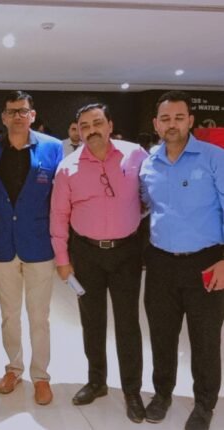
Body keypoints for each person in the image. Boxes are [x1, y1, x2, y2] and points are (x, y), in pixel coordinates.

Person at [50, 103, 148, 423]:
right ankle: (96, 381)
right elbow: (58, 216)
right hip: (86, 254)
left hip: (127, 253)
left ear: (109, 125)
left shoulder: (135, 155)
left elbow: (151, 195)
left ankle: (132, 390)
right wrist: (62, 260)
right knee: (92, 321)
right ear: (78, 131)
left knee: (127, 323)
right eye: (84, 126)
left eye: (97, 123)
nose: (91, 130)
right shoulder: (68, 167)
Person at [140, 90, 224, 430]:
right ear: (156, 124)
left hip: (206, 262)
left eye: (178, 117)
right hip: (160, 263)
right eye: (165, 119)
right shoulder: (149, 163)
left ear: (190, 120)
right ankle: (162, 394)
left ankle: (204, 403)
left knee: (205, 339)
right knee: (161, 335)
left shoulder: (214, 158)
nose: (171, 124)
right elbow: (146, 206)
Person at [0, 91, 62, 404]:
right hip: (3, 243)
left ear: (32, 115)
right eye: (12, 111)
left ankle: (41, 376)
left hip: (39, 243)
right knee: (9, 314)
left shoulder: (52, 148)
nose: (17, 116)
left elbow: (60, 197)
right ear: (3, 117)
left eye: (23, 111)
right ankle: (13, 369)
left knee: (39, 316)